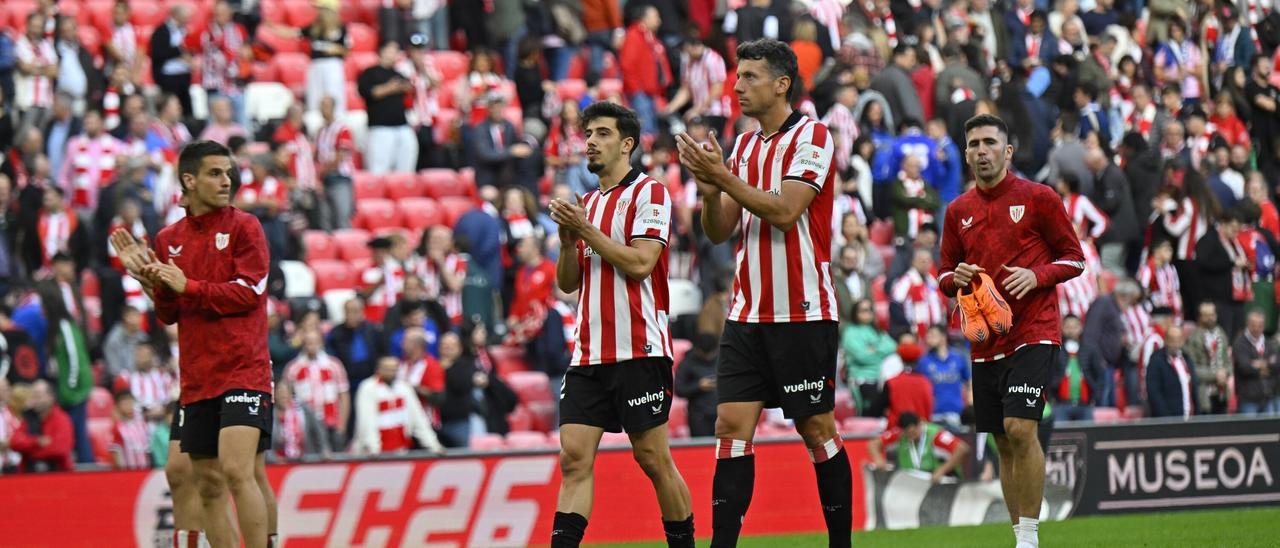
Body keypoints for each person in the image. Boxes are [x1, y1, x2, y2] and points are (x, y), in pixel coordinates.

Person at [675, 39, 851, 547]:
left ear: (781, 84)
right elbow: (719, 230)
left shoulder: (813, 136)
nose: (737, 87)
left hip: (802, 310)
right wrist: (710, 190)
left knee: (816, 428)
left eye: (749, 77)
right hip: (748, 312)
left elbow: (785, 211)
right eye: (737, 76)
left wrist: (722, 176)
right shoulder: (746, 146)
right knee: (730, 425)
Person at [111, 140, 275, 548]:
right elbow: (169, 313)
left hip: (244, 368)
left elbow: (249, 292)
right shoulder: (169, 239)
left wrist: (189, 286)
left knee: (238, 470)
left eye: (228, 173)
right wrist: (150, 281)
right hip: (198, 376)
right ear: (189, 179)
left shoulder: (245, 227)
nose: (226, 181)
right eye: (215, 173)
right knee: (207, 482)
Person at [547, 101, 694, 547]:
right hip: (589, 353)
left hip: (639, 348)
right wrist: (567, 243)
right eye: (588, 134)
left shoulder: (650, 193)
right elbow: (568, 283)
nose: (591, 142)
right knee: (573, 459)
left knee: (652, 459)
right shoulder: (587, 204)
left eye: (602, 133)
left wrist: (585, 231)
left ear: (627, 144)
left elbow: (641, 263)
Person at [940, 114, 1085, 548]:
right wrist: (954, 278)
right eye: (974, 144)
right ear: (966, 154)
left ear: (1007, 151)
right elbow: (943, 274)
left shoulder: (1039, 197)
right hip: (986, 339)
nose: (981, 151)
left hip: (1034, 329)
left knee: (1020, 428)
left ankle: (1030, 539)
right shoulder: (957, 211)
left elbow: (1075, 258)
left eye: (989, 142)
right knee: (1003, 441)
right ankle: (1019, 535)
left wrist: (1037, 276)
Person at [351, 356, 444, 455]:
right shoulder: (368, 388)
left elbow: (418, 418)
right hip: (374, 453)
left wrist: (434, 445)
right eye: (387, 369)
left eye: (394, 369)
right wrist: (373, 449)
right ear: (378, 369)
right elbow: (366, 421)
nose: (391, 372)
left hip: (400, 450)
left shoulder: (404, 388)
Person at [283, 330, 351, 451]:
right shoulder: (293, 367)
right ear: (303, 344)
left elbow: (344, 396)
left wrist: (342, 426)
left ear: (321, 343)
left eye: (315, 342)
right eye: (308, 342)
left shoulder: (334, 365)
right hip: (305, 424)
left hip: (331, 422)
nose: (312, 345)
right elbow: (287, 397)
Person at [358, 41, 417, 174]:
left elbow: (410, 90)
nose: (394, 54)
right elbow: (369, 92)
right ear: (381, 52)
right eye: (391, 50)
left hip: (402, 126)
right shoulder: (370, 73)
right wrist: (390, 88)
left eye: (396, 51)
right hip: (380, 128)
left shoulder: (399, 73)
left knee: (406, 170)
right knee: (379, 170)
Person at [867, 411, 970, 482]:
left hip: (940, 480)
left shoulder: (936, 435)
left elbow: (962, 449)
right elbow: (873, 444)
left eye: (914, 432)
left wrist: (941, 470)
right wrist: (878, 460)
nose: (911, 436)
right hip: (913, 481)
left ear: (920, 424)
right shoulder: (899, 434)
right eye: (908, 434)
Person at [842, 299, 897, 415]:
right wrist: (881, 352)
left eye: (870, 310)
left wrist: (874, 350)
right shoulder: (850, 332)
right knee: (869, 416)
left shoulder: (877, 330)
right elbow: (862, 357)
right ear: (855, 313)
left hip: (882, 380)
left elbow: (892, 346)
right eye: (864, 310)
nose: (868, 313)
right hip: (862, 380)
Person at [8, 379, 73, 472]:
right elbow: (15, 442)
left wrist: (29, 453)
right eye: (33, 396)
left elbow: (60, 449)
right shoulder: (29, 418)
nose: (34, 400)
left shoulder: (62, 419)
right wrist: (36, 442)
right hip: (29, 473)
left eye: (38, 396)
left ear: (51, 397)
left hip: (57, 473)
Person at [1052, 314, 1104, 421]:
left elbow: (1099, 375)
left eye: (1074, 327)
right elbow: (1049, 374)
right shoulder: (1056, 350)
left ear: (1081, 328)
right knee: (1060, 431)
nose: (1071, 330)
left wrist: (1095, 397)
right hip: (1060, 404)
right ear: (1062, 328)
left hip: (1085, 405)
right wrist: (1051, 396)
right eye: (1068, 327)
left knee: (1087, 431)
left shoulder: (1090, 349)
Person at [917, 325, 970, 428]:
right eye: (928, 335)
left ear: (943, 337)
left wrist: (969, 404)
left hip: (957, 413)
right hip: (934, 415)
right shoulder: (923, 361)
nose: (928, 338)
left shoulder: (957, 358)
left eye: (933, 335)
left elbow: (969, 381)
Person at [1184, 302, 1231, 414]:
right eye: (1206, 315)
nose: (1210, 318)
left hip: (1221, 392)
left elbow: (1228, 362)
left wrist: (1225, 373)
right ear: (1200, 317)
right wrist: (1215, 375)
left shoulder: (1221, 333)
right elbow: (1192, 368)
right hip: (1203, 394)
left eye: (1212, 314)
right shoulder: (1193, 338)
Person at [1232, 310, 1280, 415]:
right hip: (1248, 399)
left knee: (1270, 425)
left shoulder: (1270, 343)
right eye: (1253, 325)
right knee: (1248, 426)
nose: (1257, 329)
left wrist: (1260, 364)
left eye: (1260, 325)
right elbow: (1244, 367)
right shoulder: (1240, 343)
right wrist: (1267, 365)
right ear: (1247, 324)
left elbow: (1277, 365)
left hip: (1268, 396)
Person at [1146, 325, 1197, 419]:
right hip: (1169, 420)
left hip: (1190, 417)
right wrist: (1167, 419)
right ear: (1165, 340)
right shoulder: (1156, 361)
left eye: (1178, 340)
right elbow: (1154, 393)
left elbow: (1194, 388)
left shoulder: (1186, 358)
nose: (1175, 344)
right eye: (1172, 340)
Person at [674, 332, 719, 437]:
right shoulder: (687, 363)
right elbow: (679, 389)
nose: (708, 357)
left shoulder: (722, 360)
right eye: (704, 354)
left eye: (710, 354)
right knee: (702, 445)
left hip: (721, 413)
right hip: (699, 416)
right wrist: (698, 386)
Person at [110, 390, 151, 469]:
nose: (129, 406)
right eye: (125, 403)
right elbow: (115, 450)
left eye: (131, 402)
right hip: (128, 471)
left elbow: (148, 448)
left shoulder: (143, 424)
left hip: (146, 470)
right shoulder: (117, 427)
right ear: (118, 406)